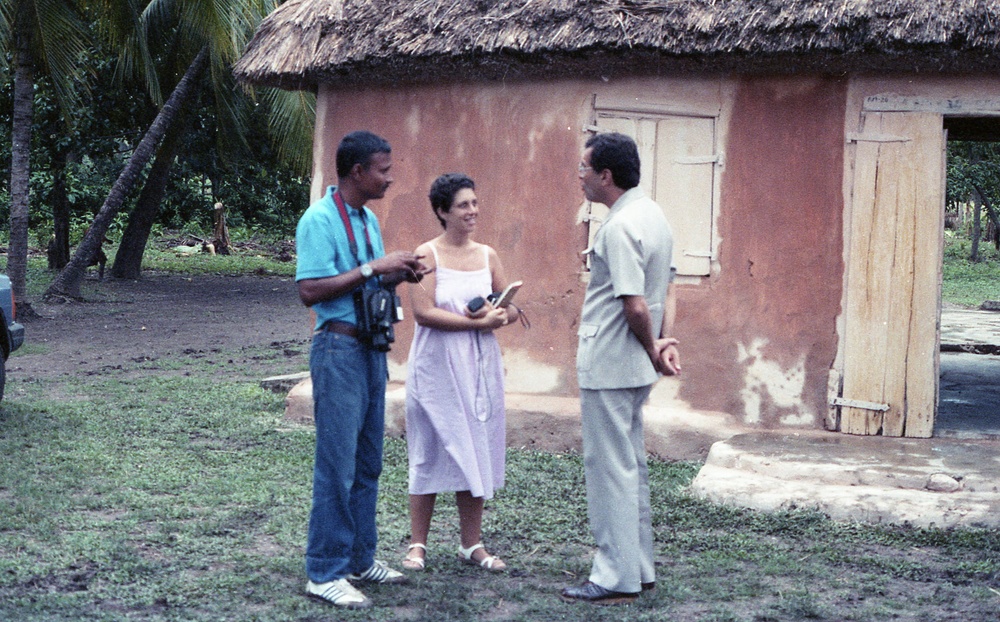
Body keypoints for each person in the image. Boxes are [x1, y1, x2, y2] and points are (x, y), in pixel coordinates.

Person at [295, 130, 428, 610]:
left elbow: (364, 278)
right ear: (357, 172)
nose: (390, 179)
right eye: (383, 170)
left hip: (371, 350)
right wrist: (375, 270)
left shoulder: (367, 219)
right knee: (337, 466)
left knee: (368, 461)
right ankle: (324, 572)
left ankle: (359, 558)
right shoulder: (318, 219)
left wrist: (399, 272)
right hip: (338, 351)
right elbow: (311, 290)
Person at [561, 132, 681, 605]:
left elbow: (634, 306)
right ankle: (638, 569)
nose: (580, 175)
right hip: (630, 365)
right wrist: (662, 343)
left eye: (584, 168)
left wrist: (654, 346)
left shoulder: (618, 225)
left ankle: (614, 577)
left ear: (606, 176)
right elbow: (666, 292)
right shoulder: (653, 215)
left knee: (610, 470)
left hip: (613, 362)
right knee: (630, 467)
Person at [401, 173, 519, 573]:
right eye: (463, 205)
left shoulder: (488, 255)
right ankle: (418, 544)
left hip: (479, 367)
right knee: (429, 447)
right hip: (436, 366)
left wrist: (501, 313)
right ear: (442, 211)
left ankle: (472, 544)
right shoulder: (426, 255)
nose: (473, 211)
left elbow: (510, 306)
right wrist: (477, 325)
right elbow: (424, 312)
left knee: (476, 444)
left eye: (474, 203)